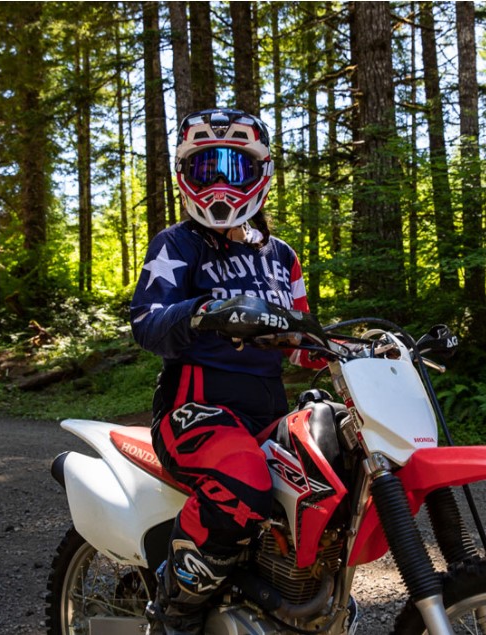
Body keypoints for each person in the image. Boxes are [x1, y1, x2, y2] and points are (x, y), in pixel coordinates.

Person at [130, 108, 318, 633]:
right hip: (195, 407)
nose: (217, 182)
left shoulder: (283, 256)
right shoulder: (177, 244)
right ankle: (174, 612)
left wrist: (359, 348)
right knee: (242, 479)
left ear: (259, 172)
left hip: (268, 408)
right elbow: (145, 324)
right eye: (204, 167)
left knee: (333, 485)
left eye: (231, 169)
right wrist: (200, 312)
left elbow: (303, 343)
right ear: (184, 174)